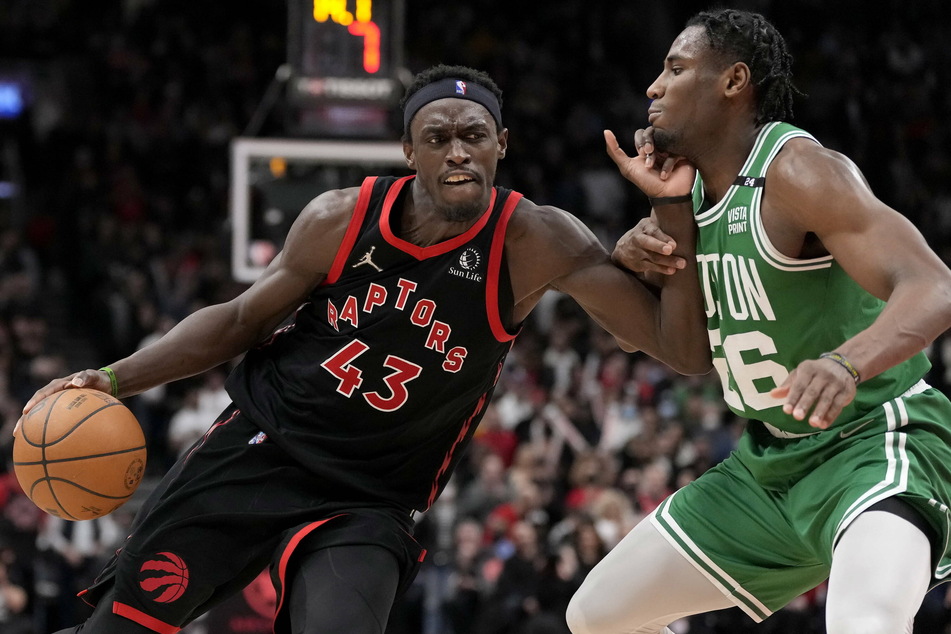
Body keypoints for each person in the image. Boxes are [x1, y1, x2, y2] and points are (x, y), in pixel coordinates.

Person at [19, 64, 709, 634]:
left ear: (502, 142)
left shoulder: (537, 240)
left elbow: (679, 352)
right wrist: (112, 378)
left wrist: (673, 215)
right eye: (436, 137)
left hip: (373, 493)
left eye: (473, 135)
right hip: (263, 448)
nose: (457, 151)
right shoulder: (339, 220)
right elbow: (236, 322)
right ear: (408, 152)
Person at [566, 9, 951, 634]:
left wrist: (845, 361)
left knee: (866, 622)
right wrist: (664, 227)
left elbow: (934, 285)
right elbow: (687, 354)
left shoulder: (798, 170)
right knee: (597, 617)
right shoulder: (685, 197)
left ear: (733, 80)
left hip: (873, 445)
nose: (652, 88)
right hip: (768, 467)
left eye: (675, 68)